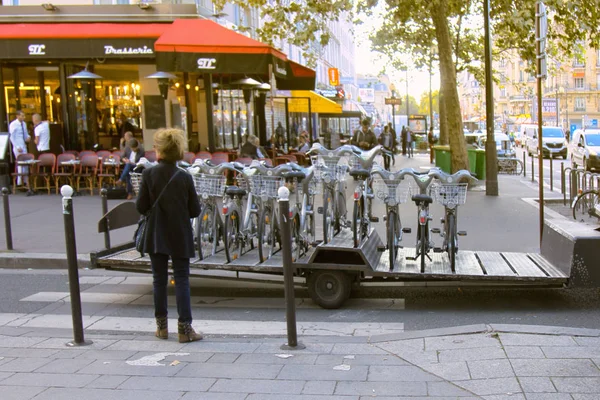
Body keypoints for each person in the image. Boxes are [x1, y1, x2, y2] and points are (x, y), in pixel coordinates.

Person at [136, 128, 202, 343]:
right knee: (181, 278)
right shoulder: (184, 177)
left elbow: (141, 206)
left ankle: (161, 328)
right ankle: (185, 329)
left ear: (160, 151)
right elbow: (194, 210)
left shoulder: (148, 174)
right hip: (180, 233)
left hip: (156, 234)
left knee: (159, 280)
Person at [9, 110, 30, 187]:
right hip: (17, 145)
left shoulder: (24, 124)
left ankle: (26, 181)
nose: (23, 117)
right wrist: (17, 146)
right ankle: (20, 182)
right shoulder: (13, 124)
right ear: (17, 116)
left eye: (24, 116)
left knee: (26, 163)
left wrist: (28, 137)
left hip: (23, 145)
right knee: (20, 163)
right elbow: (11, 137)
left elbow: (25, 134)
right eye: (22, 116)